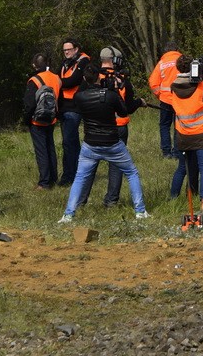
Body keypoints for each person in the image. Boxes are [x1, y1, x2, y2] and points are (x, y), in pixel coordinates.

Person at [58, 64, 150, 222]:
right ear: (98, 79)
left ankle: (68, 214)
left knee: (80, 178)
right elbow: (123, 111)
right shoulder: (110, 95)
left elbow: (81, 100)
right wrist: (114, 91)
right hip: (112, 143)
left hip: (90, 144)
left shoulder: (79, 97)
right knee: (131, 173)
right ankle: (140, 211)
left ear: (85, 79)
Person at [97, 47, 145, 207]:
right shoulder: (122, 80)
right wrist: (139, 102)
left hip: (96, 128)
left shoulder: (92, 78)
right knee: (116, 164)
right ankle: (111, 200)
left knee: (88, 166)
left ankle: (79, 201)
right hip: (118, 127)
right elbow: (129, 107)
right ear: (115, 61)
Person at [169, 55, 203, 209]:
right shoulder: (202, 86)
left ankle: (173, 198)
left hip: (183, 134)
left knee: (182, 168)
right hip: (202, 133)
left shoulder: (172, 87)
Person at [23, 54, 60, 190]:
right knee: (50, 148)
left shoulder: (34, 80)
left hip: (37, 120)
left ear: (34, 65)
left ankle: (44, 183)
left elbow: (30, 105)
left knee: (41, 151)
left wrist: (27, 121)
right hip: (52, 118)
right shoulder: (56, 77)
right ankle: (53, 178)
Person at [58, 38, 90, 185]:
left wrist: (58, 83)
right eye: (64, 50)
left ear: (76, 49)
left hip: (74, 107)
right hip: (64, 106)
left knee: (69, 142)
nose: (66, 52)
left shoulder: (83, 61)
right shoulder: (66, 63)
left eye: (69, 49)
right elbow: (61, 78)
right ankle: (75, 173)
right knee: (70, 142)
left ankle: (69, 176)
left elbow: (73, 80)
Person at [149, 41, 182, 159]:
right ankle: (178, 152)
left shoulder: (162, 63)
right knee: (179, 125)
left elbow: (153, 82)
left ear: (166, 51)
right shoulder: (183, 61)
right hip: (181, 98)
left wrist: (160, 94)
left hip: (165, 100)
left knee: (164, 125)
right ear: (176, 49)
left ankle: (166, 152)